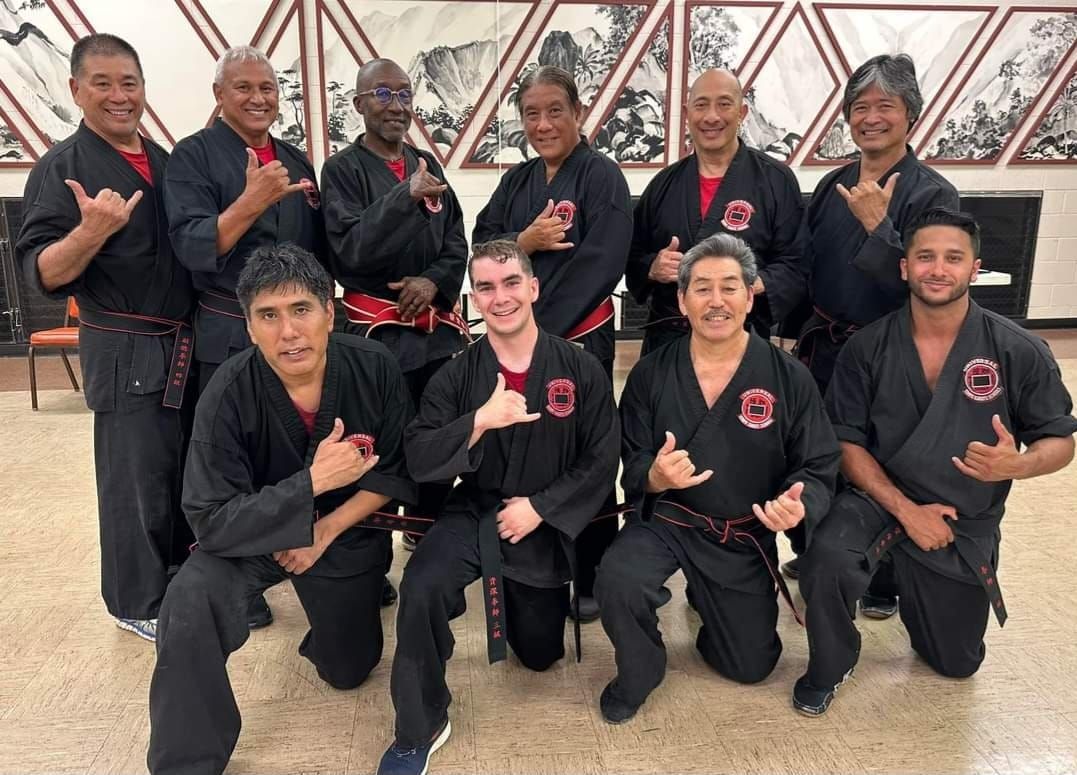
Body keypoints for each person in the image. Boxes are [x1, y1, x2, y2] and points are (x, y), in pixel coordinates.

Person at [792, 209, 1076, 716]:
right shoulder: (868, 346)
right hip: (879, 500)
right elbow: (848, 443)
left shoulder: (1018, 349)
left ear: (975, 268)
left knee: (955, 662)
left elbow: (1059, 440)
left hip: (963, 514)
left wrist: (1018, 466)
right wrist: (906, 511)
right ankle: (832, 661)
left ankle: (917, 581)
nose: (937, 269)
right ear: (904, 268)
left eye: (953, 258)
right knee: (827, 559)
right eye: (924, 257)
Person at [147, 244, 417, 775]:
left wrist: (325, 526)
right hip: (249, 538)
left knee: (349, 668)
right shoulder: (226, 389)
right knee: (188, 602)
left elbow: (397, 471)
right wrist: (310, 485)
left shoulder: (373, 366)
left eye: (300, 310)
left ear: (329, 313)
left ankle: (331, 619)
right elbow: (209, 516)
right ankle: (187, 761)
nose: (288, 332)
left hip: (341, 531)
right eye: (268, 316)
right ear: (248, 327)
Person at [376, 240, 619, 775]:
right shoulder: (457, 374)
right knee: (421, 585)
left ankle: (517, 594)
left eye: (511, 283)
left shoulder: (579, 368)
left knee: (537, 656)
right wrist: (479, 421)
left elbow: (603, 457)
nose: (500, 296)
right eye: (486, 287)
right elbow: (418, 454)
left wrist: (541, 507)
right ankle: (420, 724)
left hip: (544, 518)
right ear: (473, 299)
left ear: (533, 288)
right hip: (479, 511)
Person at [594, 233, 839, 724]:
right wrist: (655, 476)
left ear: (751, 296)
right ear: (682, 301)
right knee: (619, 578)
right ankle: (640, 669)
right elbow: (632, 459)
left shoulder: (788, 377)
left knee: (751, 666)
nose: (716, 301)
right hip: (669, 523)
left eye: (730, 287)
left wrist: (800, 503)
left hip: (740, 532)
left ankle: (712, 605)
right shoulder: (650, 373)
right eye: (701, 288)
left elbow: (816, 464)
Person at [16, 33, 195, 642]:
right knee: (133, 478)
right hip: (125, 349)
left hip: (182, 343)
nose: (120, 97)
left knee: (180, 471)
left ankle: (179, 578)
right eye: (103, 83)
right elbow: (42, 273)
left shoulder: (167, 161)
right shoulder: (61, 168)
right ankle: (134, 600)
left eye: (130, 83)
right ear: (75, 90)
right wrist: (91, 231)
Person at [164, 44, 336, 624]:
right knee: (236, 460)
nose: (258, 98)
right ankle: (242, 579)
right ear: (219, 95)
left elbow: (318, 253)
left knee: (298, 448)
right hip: (229, 331)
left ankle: (323, 563)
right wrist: (249, 201)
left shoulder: (294, 158)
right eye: (243, 87)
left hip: (299, 336)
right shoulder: (192, 156)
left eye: (267, 87)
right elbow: (192, 247)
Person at [784, 54, 961, 612]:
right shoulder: (834, 184)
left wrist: (878, 227)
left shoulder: (932, 193)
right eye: (860, 107)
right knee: (814, 455)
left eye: (886, 105)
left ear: (911, 115)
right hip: (825, 344)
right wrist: (788, 339)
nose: (872, 118)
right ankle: (814, 550)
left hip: (891, 353)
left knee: (879, 463)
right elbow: (808, 267)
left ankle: (881, 578)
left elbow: (932, 284)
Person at [472, 65, 632, 621]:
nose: (543, 124)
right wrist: (525, 241)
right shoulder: (516, 181)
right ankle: (530, 558)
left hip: (578, 339)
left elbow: (602, 261)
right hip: (519, 344)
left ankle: (592, 570)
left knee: (587, 452)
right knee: (524, 445)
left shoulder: (603, 177)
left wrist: (542, 333)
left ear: (579, 112)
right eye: (531, 114)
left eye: (554, 111)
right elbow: (484, 242)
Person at [321, 57, 468, 551]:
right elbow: (351, 248)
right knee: (374, 444)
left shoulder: (429, 162)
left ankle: (425, 534)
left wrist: (432, 281)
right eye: (383, 95)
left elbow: (455, 239)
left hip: (433, 331)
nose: (396, 106)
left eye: (404, 95)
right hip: (375, 336)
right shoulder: (341, 170)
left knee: (437, 433)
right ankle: (368, 556)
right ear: (360, 104)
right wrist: (404, 197)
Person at [627, 68, 805, 355]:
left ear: (742, 112)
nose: (711, 116)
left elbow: (796, 261)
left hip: (743, 337)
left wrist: (754, 284)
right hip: (669, 340)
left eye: (724, 104)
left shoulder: (775, 180)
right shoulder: (663, 185)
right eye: (701, 105)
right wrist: (653, 267)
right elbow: (631, 254)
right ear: (686, 113)